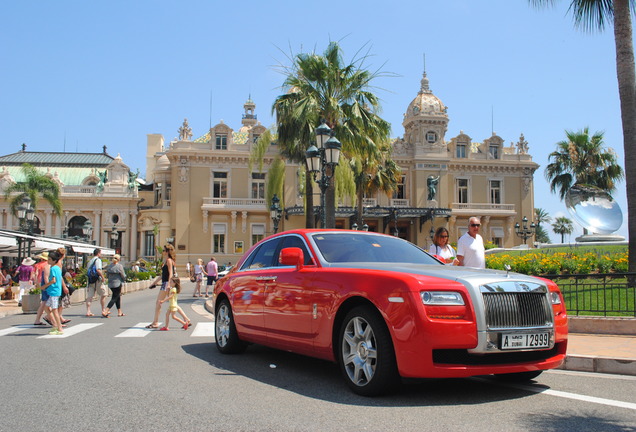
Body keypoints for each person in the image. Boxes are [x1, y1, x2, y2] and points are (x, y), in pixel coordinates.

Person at [146, 244, 177, 329]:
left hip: (166, 284)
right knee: (173, 303)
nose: (162, 252)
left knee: (159, 302)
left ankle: (155, 322)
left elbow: (170, 273)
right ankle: (186, 319)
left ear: (167, 251)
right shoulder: (167, 260)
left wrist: (168, 284)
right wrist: (154, 283)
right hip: (166, 283)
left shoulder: (169, 261)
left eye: (163, 250)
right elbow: (163, 275)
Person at [39, 250, 64, 335]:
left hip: (53, 291)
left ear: (54, 260)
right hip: (55, 291)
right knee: (46, 307)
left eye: (49, 259)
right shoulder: (57, 268)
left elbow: (53, 280)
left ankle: (59, 327)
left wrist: (44, 286)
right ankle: (55, 324)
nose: (48, 261)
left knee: (54, 310)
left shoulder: (53, 268)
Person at [86, 248, 107, 317]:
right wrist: (103, 277)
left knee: (90, 296)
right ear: (98, 253)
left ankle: (88, 311)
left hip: (91, 280)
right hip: (97, 280)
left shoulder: (90, 261)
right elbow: (98, 270)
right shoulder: (98, 260)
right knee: (103, 294)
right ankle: (103, 310)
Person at [33, 251, 51, 326]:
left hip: (40, 282)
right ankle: (49, 317)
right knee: (46, 302)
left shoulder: (37, 265)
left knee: (44, 301)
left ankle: (39, 319)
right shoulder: (47, 265)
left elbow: (35, 274)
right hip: (46, 283)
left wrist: (36, 283)